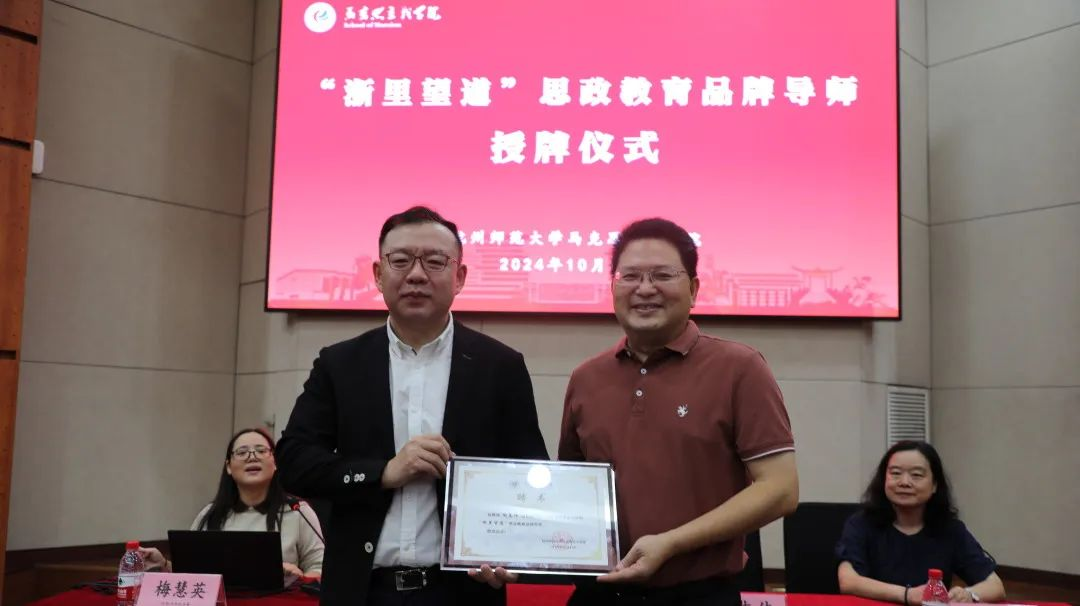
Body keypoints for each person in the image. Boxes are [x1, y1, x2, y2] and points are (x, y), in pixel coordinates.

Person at [275, 206, 549, 606]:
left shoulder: (500, 366)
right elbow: (294, 461)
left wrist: (512, 551)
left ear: (460, 277)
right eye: (401, 260)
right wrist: (383, 472)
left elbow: (530, 474)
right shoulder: (340, 364)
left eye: (435, 262)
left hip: (463, 593)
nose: (417, 275)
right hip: (362, 591)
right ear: (377, 274)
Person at [556, 217, 800, 605]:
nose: (644, 289)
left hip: (698, 595)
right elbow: (571, 491)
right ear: (613, 287)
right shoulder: (586, 377)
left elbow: (781, 490)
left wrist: (671, 543)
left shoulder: (740, 368)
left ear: (694, 289)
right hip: (599, 593)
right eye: (630, 276)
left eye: (662, 275)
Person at [836, 440, 1006, 604]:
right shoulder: (861, 524)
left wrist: (969, 594)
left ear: (934, 485)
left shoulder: (950, 529)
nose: (904, 482)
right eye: (895, 473)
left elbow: (995, 586)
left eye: (916, 475)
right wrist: (907, 595)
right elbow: (848, 581)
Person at [139, 428, 324, 578]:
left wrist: (298, 578)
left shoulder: (297, 511)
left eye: (261, 451)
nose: (252, 457)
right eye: (242, 452)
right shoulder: (210, 514)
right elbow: (191, 572)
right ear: (228, 466)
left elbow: (321, 568)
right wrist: (164, 564)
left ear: (275, 462)